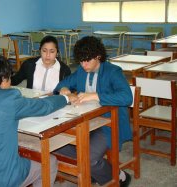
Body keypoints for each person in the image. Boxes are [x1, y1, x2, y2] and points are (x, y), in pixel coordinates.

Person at [0, 54, 77, 187]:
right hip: (2, 179)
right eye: (9, 78)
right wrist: (66, 98)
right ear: (3, 79)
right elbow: (45, 107)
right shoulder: (9, 98)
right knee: (50, 162)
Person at [54, 36, 133, 187]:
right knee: (58, 145)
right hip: (86, 120)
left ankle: (117, 176)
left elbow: (127, 97)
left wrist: (95, 95)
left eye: (87, 61)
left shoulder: (112, 71)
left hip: (109, 123)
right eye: (81, 61)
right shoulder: (82, 71)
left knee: (89, 158)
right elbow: (62, 84)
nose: (83, 65)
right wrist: (66, 91)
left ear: (98, 56)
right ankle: (94, 170)